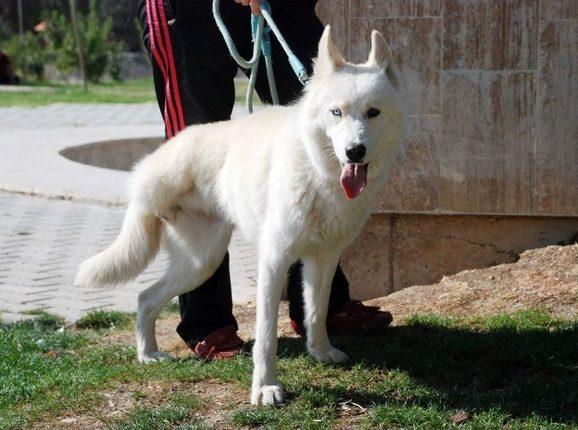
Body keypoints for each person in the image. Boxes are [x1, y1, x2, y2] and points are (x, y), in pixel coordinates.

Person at [137, 0, 392, 360]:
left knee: (319, 100)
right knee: (193, 140)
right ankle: (208, 324)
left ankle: (321, 310)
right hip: (188, 10)